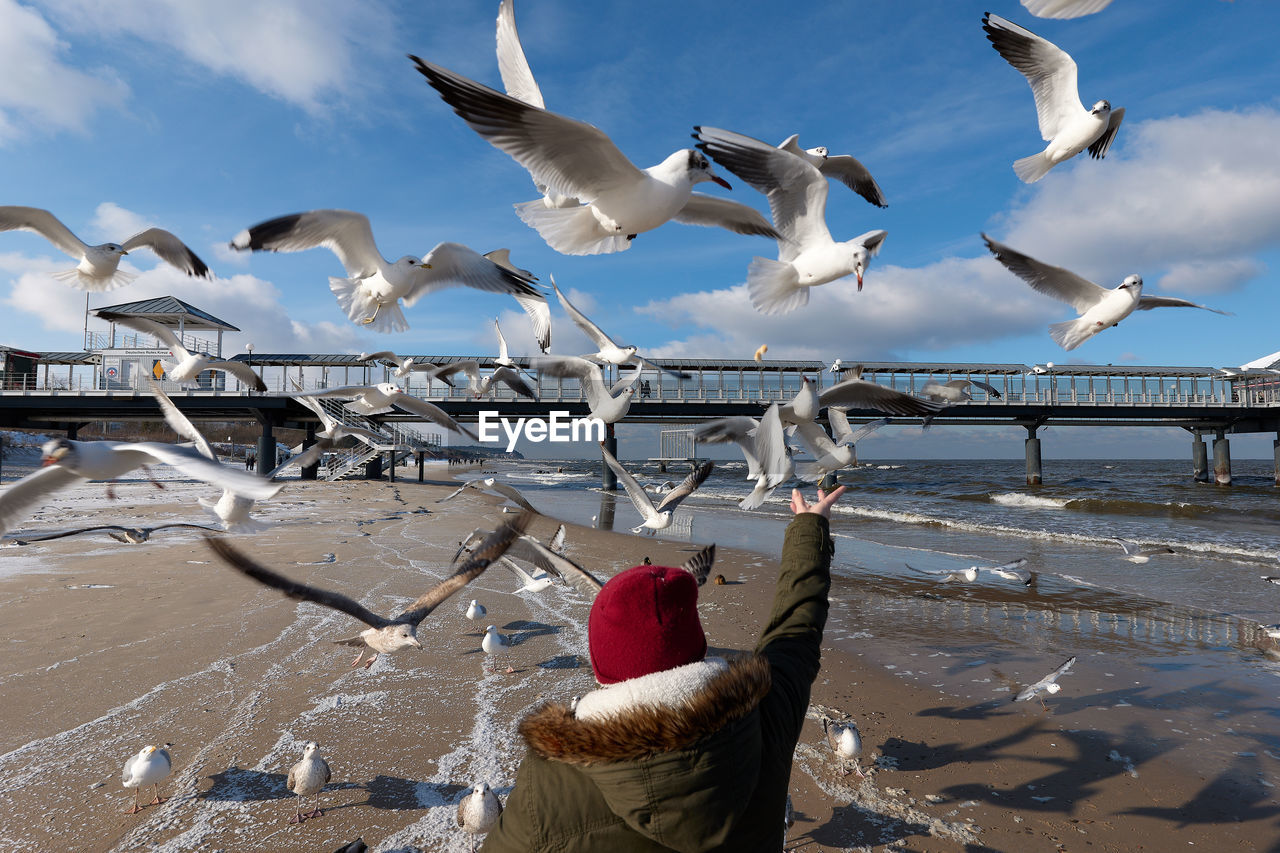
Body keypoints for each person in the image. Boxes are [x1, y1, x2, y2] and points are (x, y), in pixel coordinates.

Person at [481, 485, 846, 852]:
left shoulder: (552, 779)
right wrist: (809, 529)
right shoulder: (764, 716)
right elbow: (796, 632)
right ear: (698, 644)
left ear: (600, 666)